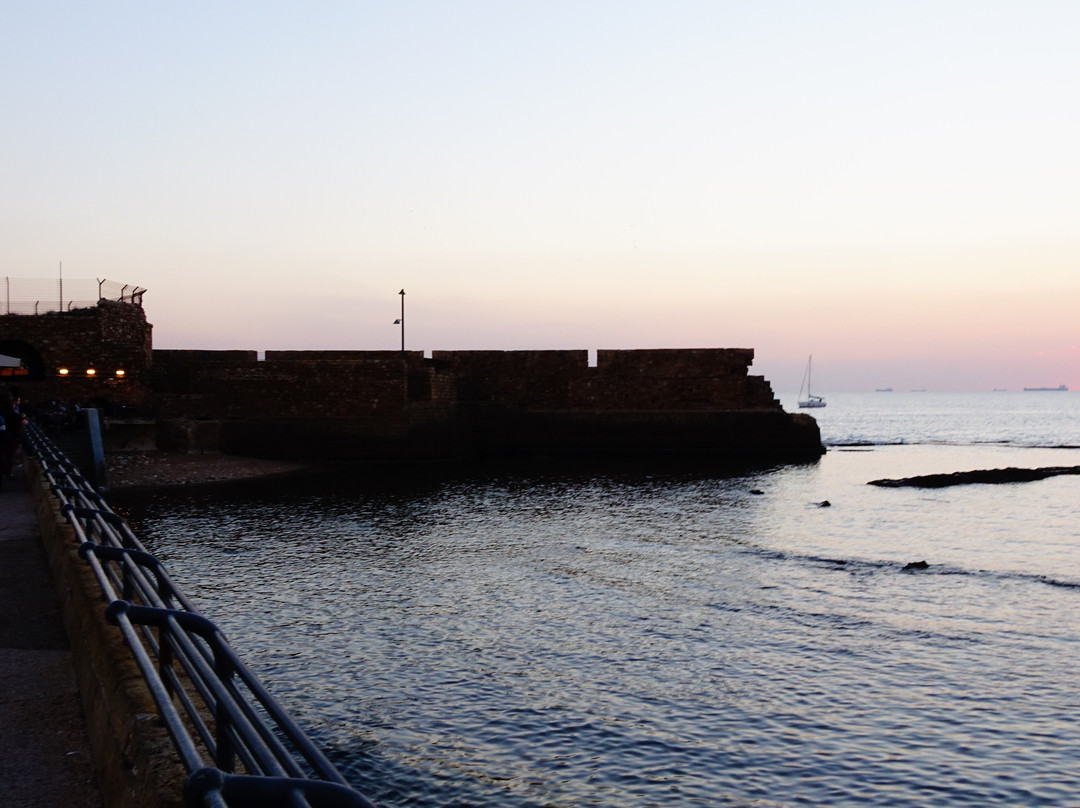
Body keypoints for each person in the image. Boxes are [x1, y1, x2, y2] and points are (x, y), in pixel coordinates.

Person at [1, 392, 27, 479]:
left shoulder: (2, 413)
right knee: (9, 455)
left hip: (3, 435)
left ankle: (5, 471)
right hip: (12, 436)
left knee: (4, 454)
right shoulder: (14, 415)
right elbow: (24, 422)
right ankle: (8, 473)